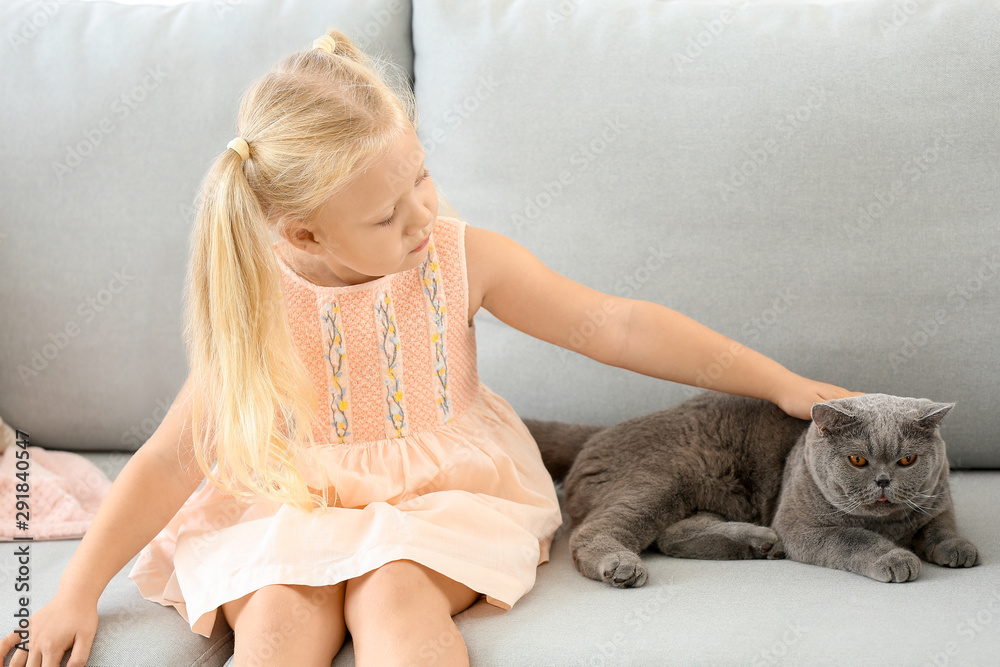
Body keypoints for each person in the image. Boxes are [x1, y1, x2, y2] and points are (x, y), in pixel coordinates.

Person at [0, 30, 863, 667]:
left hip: (440, 495)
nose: (422, 215)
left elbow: (616, 323)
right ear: (303, 231)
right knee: (274, 623)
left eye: (421, 176)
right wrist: (73, 594)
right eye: (387, 215)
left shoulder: (459, 257)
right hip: (289, 500)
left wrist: (781, 382)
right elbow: (167, 460)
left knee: (397, 602)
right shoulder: (257, 303)